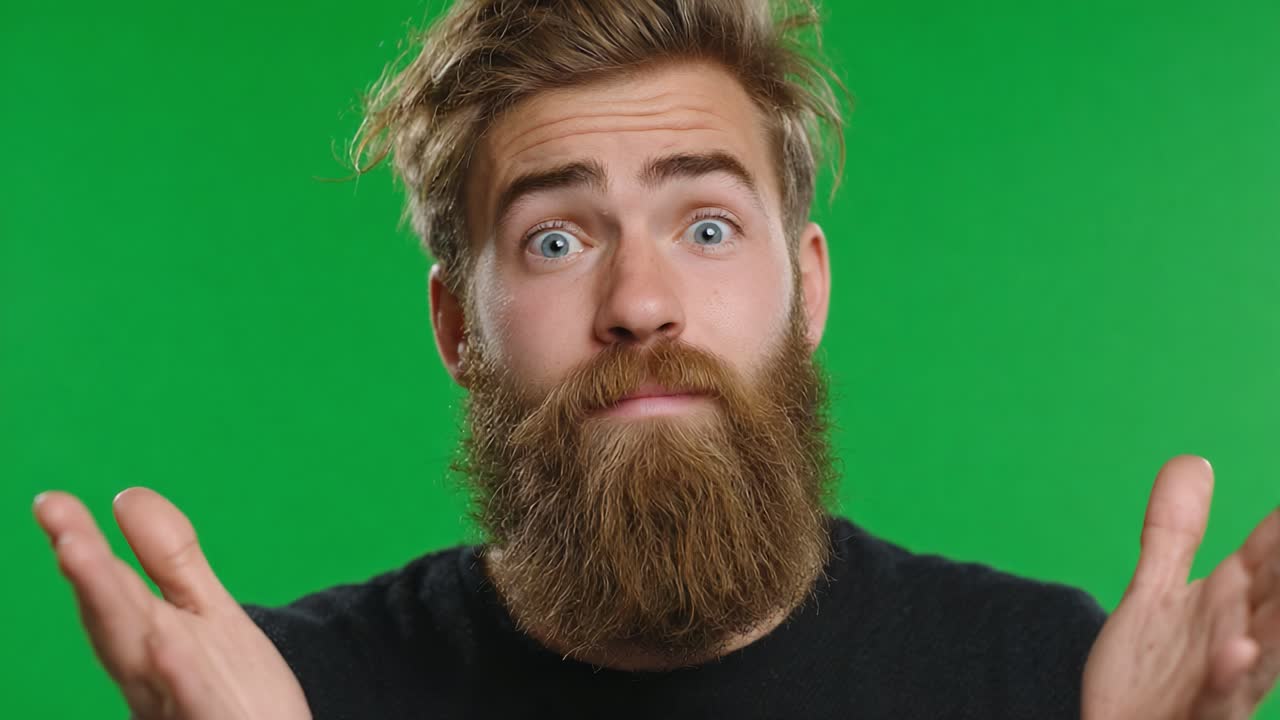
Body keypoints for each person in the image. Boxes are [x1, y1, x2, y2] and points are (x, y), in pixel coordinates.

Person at [31, 1, 1280, 718]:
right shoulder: (281, 698)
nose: (638, 302)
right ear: (457, 327)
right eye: (558, 236)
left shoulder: (1055, 683)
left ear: (807, 291)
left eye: (706, 225)